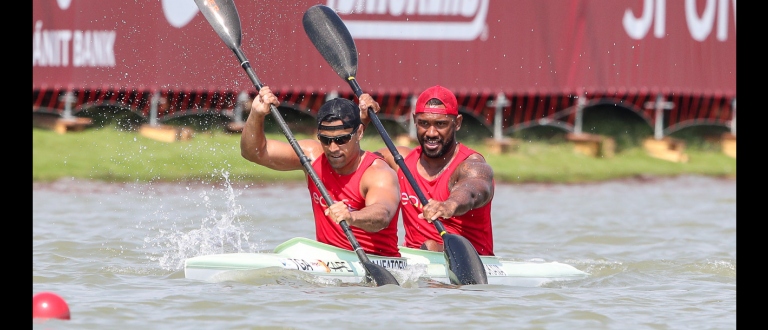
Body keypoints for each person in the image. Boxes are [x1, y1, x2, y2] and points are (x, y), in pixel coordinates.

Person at [241, 86, 402, 257]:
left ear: (360, 132)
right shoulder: (311, 157)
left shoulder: (377, 173)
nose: (333, 148)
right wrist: (256, 114)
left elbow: (382, 215)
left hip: (377, 261)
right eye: (326, 140)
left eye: (342, 139)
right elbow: (253, 152)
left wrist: (352, 217)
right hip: (328, 260)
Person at [358, 85, 496, 255]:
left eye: (440, 124)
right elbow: (351, 159)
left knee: (431, 246)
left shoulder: (471, 164)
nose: (431, 133)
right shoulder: (401, 160)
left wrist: (449, 205)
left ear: (457, 123)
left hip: (468, 261)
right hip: (415, 261)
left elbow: (474, 189)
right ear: (414, 120)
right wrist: (363, 121)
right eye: (424, 123)